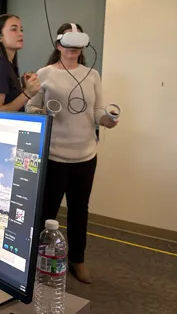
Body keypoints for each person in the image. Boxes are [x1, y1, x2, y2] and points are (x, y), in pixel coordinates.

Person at [26, 22, 117, 284]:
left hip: (85, 156)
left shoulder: (92, 75)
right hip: (54, 156)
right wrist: (43, 112)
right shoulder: (44, 74)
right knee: (47, 211)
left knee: (80, 210)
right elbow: (31, 109)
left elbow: (98, 110)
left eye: (78, 44)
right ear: (58, 45)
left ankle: (77, 260)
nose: (73, 49)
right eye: (68, 43)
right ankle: (37, 259)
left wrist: (107, 120)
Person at [0, 14, 40, 111]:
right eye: (14, 29)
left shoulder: (7, 65)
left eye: (21, 30)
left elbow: (9, 103)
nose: (20, 34)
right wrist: (28, 93)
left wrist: (23, 89)